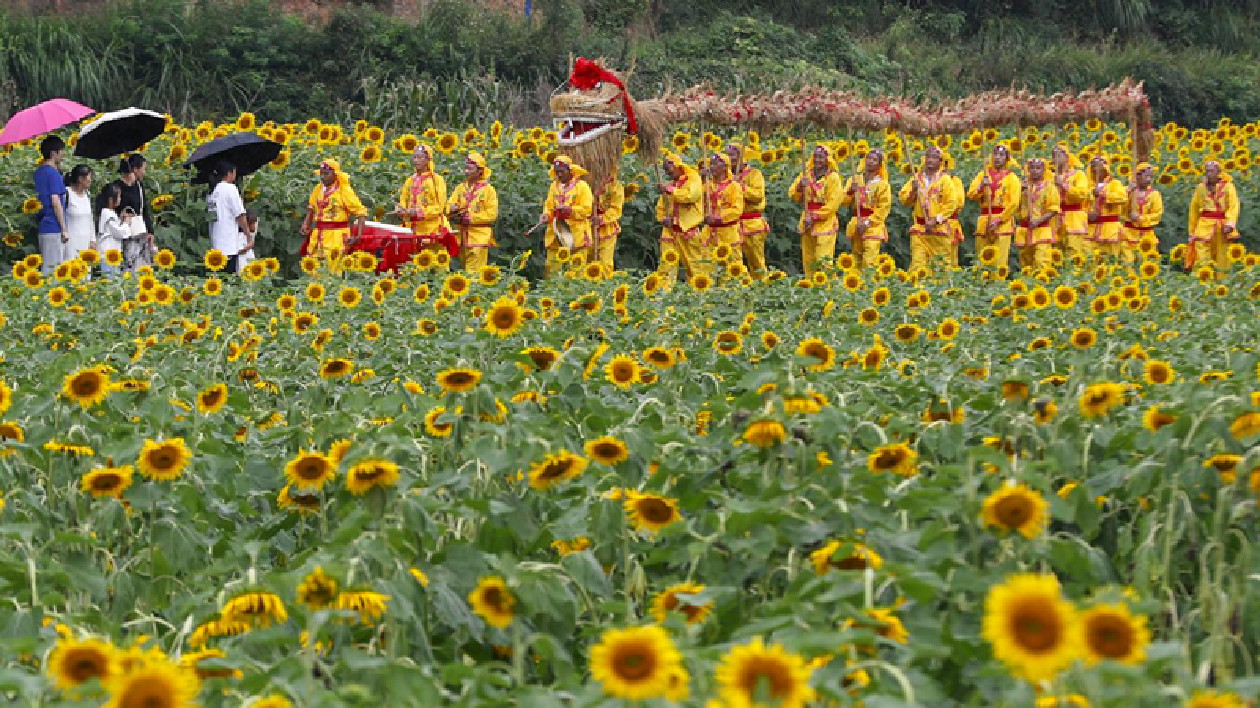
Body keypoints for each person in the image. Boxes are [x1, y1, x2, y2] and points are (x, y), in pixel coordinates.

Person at [899, 145, 961, 274]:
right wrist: (913, 190)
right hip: (920, 229)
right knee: (918, 265)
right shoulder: (917, 178)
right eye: (928, 156)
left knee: (941, 267)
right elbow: (904, 200)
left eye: (934, 157)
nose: (930, 160)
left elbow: (951, 203)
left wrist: (936, 219)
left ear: (940, 161)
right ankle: (918, 291)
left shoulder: (945, 180)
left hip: (938, 230)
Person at [300, 158, 367, 272]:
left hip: (337, 236)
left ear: (335, 174)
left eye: (326, 174)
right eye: (321, 174)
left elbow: (360, 213)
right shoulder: (318, 188)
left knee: (333, 268)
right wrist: (306, 223)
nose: (323, 177)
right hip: (318, 234)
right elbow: (311, 207)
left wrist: (358, 235)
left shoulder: (344, 190)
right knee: (313, 267)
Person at [654, 150, 707, 286]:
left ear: (677, 165)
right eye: (665, 170)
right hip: (670, 230)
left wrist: (670, 190)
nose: (667, 173)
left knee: (693, 265)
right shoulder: (671, 184)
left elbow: (690, 196)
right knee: (666, 264)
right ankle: (662, 296)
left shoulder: (693, 178)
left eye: (669, 169)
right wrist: (663, 219)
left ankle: (699, 295)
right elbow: (661, 206)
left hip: (687, 229)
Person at [788, 144, 842, 276]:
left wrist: (814, 216)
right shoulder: (805, 174)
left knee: (823, 259)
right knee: (808, 259)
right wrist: (800, 186)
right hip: (807, 221)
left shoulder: (833, 177)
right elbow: (793, 195)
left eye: (821, 157)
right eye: (816, 157)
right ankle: (810, 289)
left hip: (825, 222)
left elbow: (833, 204)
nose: (817, 160)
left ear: (827, 159)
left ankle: (828, 288)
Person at [537, 155, 594, 278]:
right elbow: (549, 205)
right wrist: (546, 215)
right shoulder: (554, 186)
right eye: (557, 172)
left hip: (576, 233)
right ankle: (550, 292)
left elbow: (587, 209)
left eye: (562, 172)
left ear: (570, 171)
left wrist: (569, 210)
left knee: (577, 269)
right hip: (556, 231)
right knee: (551, 266)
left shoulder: (582, 186)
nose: (559, 175)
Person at [967, 144, 1021, 271]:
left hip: (1002, 222)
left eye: (1001, 155)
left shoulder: (1012, 178)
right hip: (984, 220)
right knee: (981, 257)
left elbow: (1013, 203)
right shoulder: (983, 174)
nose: (997, 158)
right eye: (995, 154)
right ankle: (981, 285)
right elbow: (971, 194)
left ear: (1007, 158)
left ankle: (997, 286)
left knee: (999, 259)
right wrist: (981, 186)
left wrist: (999, 220)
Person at [396, 144, 450, 266]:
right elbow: (403, 201)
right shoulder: (410, 180)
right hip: (412, 230)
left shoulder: (437, 180)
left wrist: (418, 212)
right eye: (414, 157)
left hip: (432, 229)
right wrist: (400, 211)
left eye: (420, 157)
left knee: (437, 264)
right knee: (414, 264)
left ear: (428, 160)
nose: (416, 160)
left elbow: (439, 207)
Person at [446, 152, 499, 272]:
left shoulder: (488, 190)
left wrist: (471, 218)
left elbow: (492, 214)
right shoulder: (460, 188)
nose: (466, 171)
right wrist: (452, 208)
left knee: (473, 275)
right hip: (461, 237)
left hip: (478, 238)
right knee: (466, 272)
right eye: (465, 168)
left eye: (470, 169)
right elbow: (448, 206)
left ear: (480, 171)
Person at [840, 149, 892, 270]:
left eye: (874, 160)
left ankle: (869, 286)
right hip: (856, 223)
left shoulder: (883, 184)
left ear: (879, 164)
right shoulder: (855, 179)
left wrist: (868, 222)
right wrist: (850, 191)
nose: (870, 161)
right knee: (855, 259)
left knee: (869, 262)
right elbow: (843, 202)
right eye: (869, 158)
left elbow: (884, 208)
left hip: (873, 226)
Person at [1186, 159, 1241, 272]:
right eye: (1207, 171)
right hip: (1204, 227)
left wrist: (1230, 223)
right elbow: (1194, 210)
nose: (1209, 174)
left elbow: (1233, 205)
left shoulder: (1228, 187)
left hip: (1222, 228)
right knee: (1201, 257)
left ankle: (1221, 283)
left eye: (1212, 171)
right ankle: (1203, 282)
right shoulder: (1200, 188)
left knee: (1222, 259)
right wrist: (1192, 232)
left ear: (1218, 172)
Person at [726, 143, 768, 278]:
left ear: (741, 157)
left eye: (731, 155)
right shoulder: (726, 176)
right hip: (732, 225)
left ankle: (762, 287)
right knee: (734, 262)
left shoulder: (755, 174)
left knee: (756, 261)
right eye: (727, 155)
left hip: (752, 223)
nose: (729, 158)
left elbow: (758, 196)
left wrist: (741, 187)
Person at [1013, 157, 1060, 273]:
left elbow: (1054, 209)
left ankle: (1042, 285)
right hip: (1025, 229)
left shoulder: (1050, 188)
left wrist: (1039, 220)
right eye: (1032, 168)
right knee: (1025, 263)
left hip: (1042, 229)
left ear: (1043, 170)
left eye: (1038, 168)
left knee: (1041, 261)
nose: (1035, 171)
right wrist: (1020, 192)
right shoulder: (1023, 187)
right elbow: (1013, 205)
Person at [206, 160, 250, 274]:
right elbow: (240, 215)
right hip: (229, 244)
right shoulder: (229, 188)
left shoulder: (211, 192)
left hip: (215, 245)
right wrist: (248, 237)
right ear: (229, 173)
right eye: (234, 172)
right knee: (229, 280)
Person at [703, 151, 745, 270]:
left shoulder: (734, 186)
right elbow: (698, 202)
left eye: (715, 164)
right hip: (710, 232)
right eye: (711, 164)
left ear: (725, 167)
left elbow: (737, 210)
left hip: (728, 232)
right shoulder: (707, 185)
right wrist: (702, 178)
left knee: (733, 267)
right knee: (707, 266)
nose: (712, 167)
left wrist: (718, 217)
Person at [34, 136, 69, 274]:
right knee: (54, 270)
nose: (63, 154)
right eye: (61, 151)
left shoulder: (39, 172)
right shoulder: (53, 174)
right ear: (53, 153)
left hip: (43, 225)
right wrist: (64, 228)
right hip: (54, 226)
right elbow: (56, 201)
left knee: (47, 266)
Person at [1052, 143, 1090, 261]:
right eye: (1053, 155)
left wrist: (1064, 186)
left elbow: (1082, 194)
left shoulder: (1079, 175)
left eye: (1059, 154)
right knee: (1056, 255)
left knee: (1073, 254)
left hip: (1074, 219)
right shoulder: (1050, 176)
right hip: (1055, 219)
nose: (1055, 158)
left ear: (1067, 157)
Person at [1085, 155, 1128, 259]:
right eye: (1093, 167)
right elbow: (1081, 205)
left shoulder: (1114, 184)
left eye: (1098, 167)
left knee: (1110, 259)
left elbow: (1122, 198)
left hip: (1110, 229)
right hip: (1091, 229)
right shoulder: (1087, 186)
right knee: (1088, 258)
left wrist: (1103, 195)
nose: (1095, 169)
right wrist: (1087, 214)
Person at [1123, 163, 1163, 262]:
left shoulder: (1154, 194)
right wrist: (1128, 192)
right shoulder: (1127, 191)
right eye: (1146, 176)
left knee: (1147, 262)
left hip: (1147, 235)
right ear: (1137, 176)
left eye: (1150, 177)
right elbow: (1120, 208)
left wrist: (1139, 218)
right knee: (1127, 262)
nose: (1148, 180)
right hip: (1128, 234)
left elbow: (1157, 215)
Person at [94, 183, 132, 277]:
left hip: (112, 254)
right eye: (118, 197)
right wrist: (126, 222)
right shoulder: (107, 214)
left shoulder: (109, 213)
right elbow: (119, 232)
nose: (120, 199)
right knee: (110, 283)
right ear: (111, 199)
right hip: (108, 254)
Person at [591, 168, 625, 274]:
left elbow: (616, 209)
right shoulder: (588, 182)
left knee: (605, 263)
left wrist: (602, 219)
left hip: (607, 229)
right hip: (588, 228)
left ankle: (604, 288)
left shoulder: (616, 187)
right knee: (587, 261)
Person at [63, 164, 95, 261]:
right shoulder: (67, 193)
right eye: (89, 177)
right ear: (81, 179)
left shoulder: (87, 194)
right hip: (71, 242)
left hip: (86, 241)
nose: (91, 180)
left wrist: (93, 239)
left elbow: (90, 219)